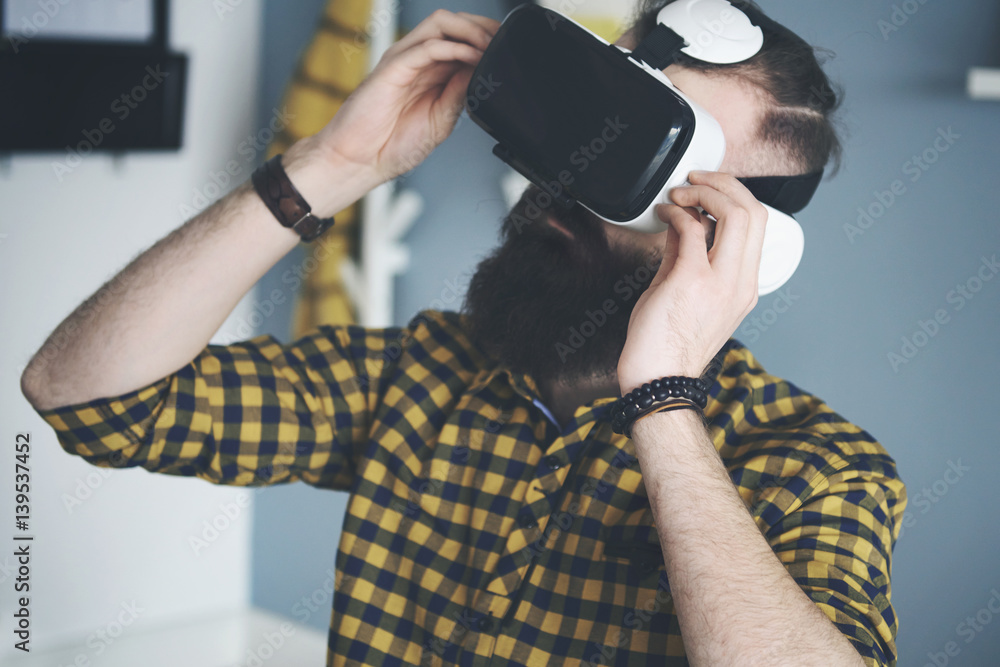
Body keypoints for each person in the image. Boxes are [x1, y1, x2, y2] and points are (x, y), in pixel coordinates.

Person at [21, 1, 905, 665]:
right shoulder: (427, 372)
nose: (558, 186)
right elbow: (86, 397)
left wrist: (663, 394)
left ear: (745, 244)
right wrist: (329, 168)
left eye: (632, 167)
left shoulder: (815, 468)